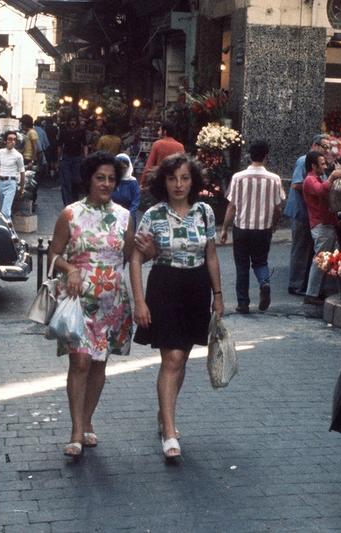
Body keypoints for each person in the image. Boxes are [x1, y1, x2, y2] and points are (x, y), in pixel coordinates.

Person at [130, 154, 224, 460]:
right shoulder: (153, 215)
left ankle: (165, 412)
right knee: (171, 358)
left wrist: (218, 294)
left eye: (184, 178)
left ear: (193, 181)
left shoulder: (205, 212)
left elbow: (211, 255)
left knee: (181, 357)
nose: (179, 185)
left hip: (196, 288)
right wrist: (139, 301)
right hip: (165, 286)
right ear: (164, 182)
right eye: (172, 178)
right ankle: (169, 431)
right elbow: (136, 259)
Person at [48, 151, 134, 458]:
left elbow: (129, 257)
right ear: (89, 179)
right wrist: (70, 269)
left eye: (111, 179)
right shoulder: (70, 214)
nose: (107, 184)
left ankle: (87, 420)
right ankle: (76, 430)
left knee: (99, 363)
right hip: (78, 300)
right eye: (100, 178)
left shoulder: (124, 216)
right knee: (81, 362)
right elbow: (53, 253)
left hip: (112, 302)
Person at [219, 140, 285, 313]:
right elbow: (278, 208)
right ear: (266, 157)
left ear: (249, 155)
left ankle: (243, 303)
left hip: (242, 227)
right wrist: (274, 224)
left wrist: (224, 229)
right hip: (263, 228)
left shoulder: (238, 177)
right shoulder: (275, 179)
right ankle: (264, 282)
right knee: (260, 261)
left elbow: (232, 206)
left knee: (242, 265)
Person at [284, 134, 329, 295]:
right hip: (301, 211)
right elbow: (296, 184)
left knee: (309, 249)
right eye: (324, 147)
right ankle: (295, 284)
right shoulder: (304, 161)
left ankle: (304, 284)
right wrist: (315, 186)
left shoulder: (320, 162)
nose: (326, 150)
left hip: (311, 212)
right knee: (300, 248)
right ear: (315, 145)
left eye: (328, 148)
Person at [302, 150, 341, 305]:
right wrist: (332, 177)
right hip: (320, 225)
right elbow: (320, 190)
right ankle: (311, 294)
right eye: (322, 164)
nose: (325, 166)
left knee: (327, 259)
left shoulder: (319, 178)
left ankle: (317, 291)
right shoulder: (310, 180)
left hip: (327, 224)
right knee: (320, 259)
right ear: (313, 166)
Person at [0, 131, 25, 221]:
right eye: (10, 139)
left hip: (11, 183)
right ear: (5, 141)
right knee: (1, 211)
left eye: (14, 140)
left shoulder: (18, 156)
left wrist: (22, 188)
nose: (12, 141)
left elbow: (22, 172)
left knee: (5, 211)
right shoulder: (0, 152)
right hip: (0, 182)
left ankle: (9, 229)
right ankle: (6, 228)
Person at [139, 120, 185, 187]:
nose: (158, 133)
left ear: (165, 132)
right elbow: (183, 166)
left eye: (159, 130)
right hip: (175, 183)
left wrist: (142, 182)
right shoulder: (180, 146)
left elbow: (149, 165)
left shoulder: (158, 144)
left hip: (160, 182)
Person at [58, 116, 88, 206]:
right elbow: (60, 146)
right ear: (68, 122)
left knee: (76, 181)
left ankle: (75, 201)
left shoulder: (81, 132)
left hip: (77, 158)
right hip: (66, 158)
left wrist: (85, 157)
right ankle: (67, 203)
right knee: (66, 182)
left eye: (74, 121)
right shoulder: (63, 132)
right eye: (71, 120)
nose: (72, 123)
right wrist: (59, 158)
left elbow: (85, 145)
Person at [111, 153, 141, 230]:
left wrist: (127, 215)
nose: (122, 170)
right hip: (112, 214)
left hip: (128, 215)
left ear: (128, 167)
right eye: (119, 168)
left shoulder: (132, 182)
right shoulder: (112, 180)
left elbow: (136, 201)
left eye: (124, 168)